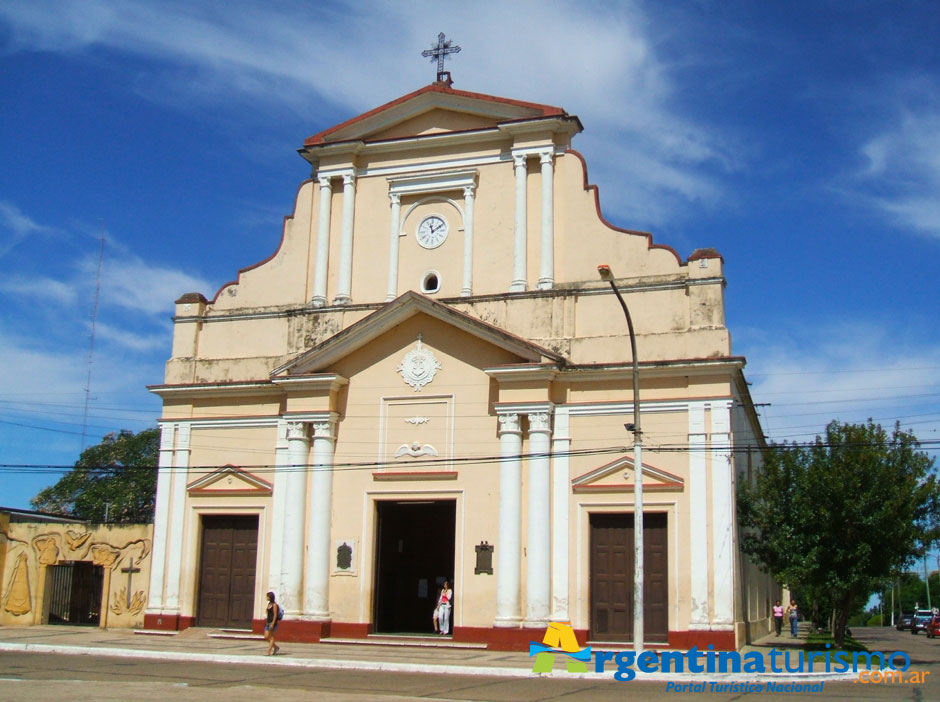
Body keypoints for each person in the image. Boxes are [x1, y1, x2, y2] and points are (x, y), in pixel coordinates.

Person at [264, 591, 281, 655]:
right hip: (268, 622)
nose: (266, 597)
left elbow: (275, 614)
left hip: (273, 623)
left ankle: (268, 651)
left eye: (267, 596)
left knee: (272, 637)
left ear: (270, 597)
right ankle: (276, 647)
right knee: (266, 637)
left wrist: (273, 623)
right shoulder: (269, 604)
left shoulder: (274, 605)